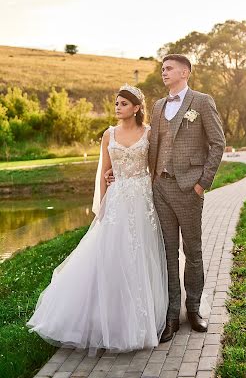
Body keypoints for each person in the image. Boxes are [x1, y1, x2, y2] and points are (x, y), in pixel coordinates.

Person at [27, 85, 168, 354]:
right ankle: (108, 319)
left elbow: (154, 168)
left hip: (142, 201)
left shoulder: (149, 133)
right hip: (117, 200)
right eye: (116, 103)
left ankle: (141, 320)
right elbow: (104, 170)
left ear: (137, 108)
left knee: (140, 257)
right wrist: (103, 205)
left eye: (124, 104)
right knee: (111, 257)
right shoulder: (108, 134)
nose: (118, 107)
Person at [106, 54, 225, 342]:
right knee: (167, 253)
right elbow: (149, 147)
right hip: (159, 189)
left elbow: (218, 143)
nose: (164, 73)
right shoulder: (158, 106)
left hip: (189, 188)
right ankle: (172, 315)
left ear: (184, 72)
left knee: (192, 251)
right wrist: (121, 172)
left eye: (169, 68)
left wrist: (202, 184)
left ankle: (194, 309)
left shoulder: (202, 101)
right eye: (162, 69)